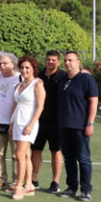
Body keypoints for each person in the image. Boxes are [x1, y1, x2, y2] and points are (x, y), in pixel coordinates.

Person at [57, 51, 98, 201]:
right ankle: (71, 188)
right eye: (66, 60)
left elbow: (93, 101)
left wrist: (90, 123)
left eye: (71, 60)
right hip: (64, 126)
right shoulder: (62, 80)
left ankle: (86, 190)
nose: (67, 63)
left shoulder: (86, 79)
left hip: (80, 126)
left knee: (83, 158)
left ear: (78, 62)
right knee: (69, 158)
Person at [10, 56, 45, 201]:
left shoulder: (37, 84)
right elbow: (15, 104)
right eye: (22, 67)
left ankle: (19, 186)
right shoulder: (19, 85)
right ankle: (29, 185)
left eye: (27, 68)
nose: (24, 70)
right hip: (17, 122)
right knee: (25, 155)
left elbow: (40, 107)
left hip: (28, 124)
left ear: (33, 69)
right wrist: (11, 123)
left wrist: (31, 125)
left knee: (19, 155)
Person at [33, 50, 66, 193]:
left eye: (53, 60)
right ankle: (34, 180)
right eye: (48, 59)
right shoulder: (38, 76)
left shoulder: (64, 76)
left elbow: (78, 76)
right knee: (36, 150)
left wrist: (84, 72)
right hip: (39, 120)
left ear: (59, 62)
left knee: (56, 151)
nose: (50, 62)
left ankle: (55, 182)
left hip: (56, 122)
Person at [0, 51, 20, 190]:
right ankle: (0, 179)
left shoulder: (20, 78)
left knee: (16, 154)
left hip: (15, 122)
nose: (2, 66)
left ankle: (16, 181)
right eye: (0, 63)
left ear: (13, 64)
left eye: (5, 63)